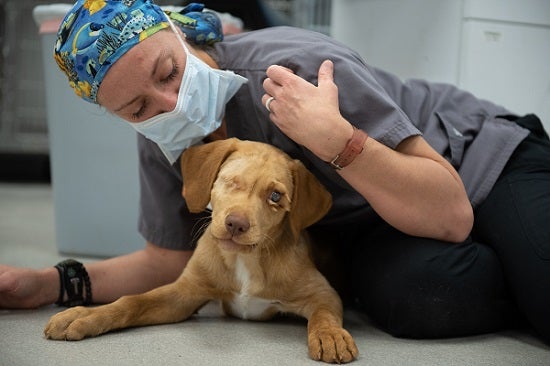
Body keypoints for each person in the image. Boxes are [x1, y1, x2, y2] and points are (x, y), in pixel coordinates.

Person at [1, 0, 549, 343]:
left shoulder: (297, 71)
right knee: (419, 297)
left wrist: (338, 140)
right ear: (120, 117)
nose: (168, 104)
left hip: (476, 161)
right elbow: (166, 263)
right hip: (376, 223)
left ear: (179, 32)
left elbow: (451, 213)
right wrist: (53, 282)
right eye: (139, 108)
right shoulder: (163, 143)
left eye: (168, 70)